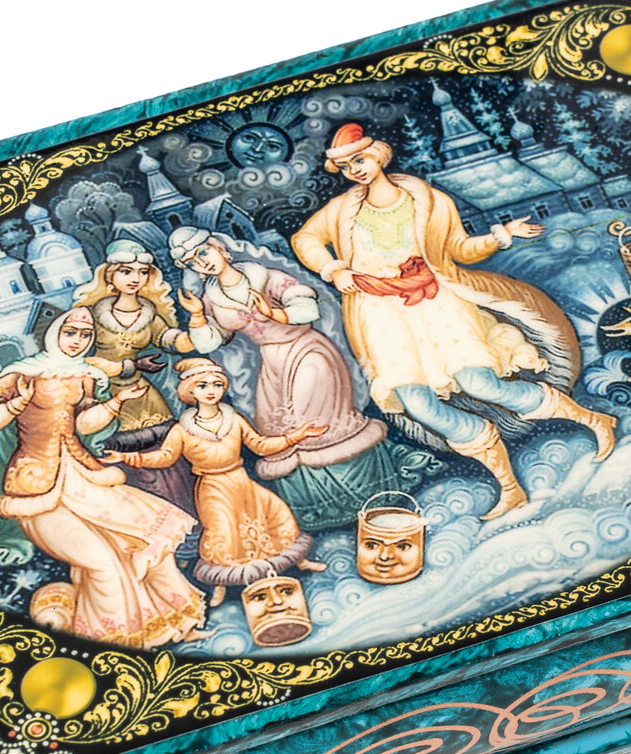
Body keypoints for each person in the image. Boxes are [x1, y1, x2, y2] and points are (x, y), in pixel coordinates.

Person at [290, 123, 614, 517]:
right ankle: (509, 487)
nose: (355, 170)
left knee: (479, 382)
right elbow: (304, 239)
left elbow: (459, 248)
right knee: (419, 405)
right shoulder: (341, 210)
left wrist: (500, 236)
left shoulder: (429, 201)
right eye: (345, 166)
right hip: (380, 318)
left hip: (437, 305)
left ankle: (593, 420)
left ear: (378, 155)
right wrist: (333, 269)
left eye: (360, 160)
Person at [0, 306, 205, 645]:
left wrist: (116, 402)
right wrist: (15, 405)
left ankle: (175, 624)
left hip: (84, 475)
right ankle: (115, 641)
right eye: (71, 333)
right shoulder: (21, 374)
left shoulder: (84, 375)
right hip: (37, 486)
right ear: (53, 334)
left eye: (85, 335)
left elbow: (83, 424)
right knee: (103, 564)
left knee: (150, 539)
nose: (77, 341)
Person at [166, 225, 413, 529]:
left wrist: (274, 313)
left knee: (314, 421)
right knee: (277, 429)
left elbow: (308, 308)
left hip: (308, 352)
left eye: (203, 252)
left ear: (219, 247)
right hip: (272, 365)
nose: (202, 263)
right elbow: (211, 343)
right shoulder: (212, 298)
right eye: (192, 262)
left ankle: (370, 494)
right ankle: (322, 507)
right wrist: (196, 315)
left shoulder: (264, 276)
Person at [114, 357, 328, 609]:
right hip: (213, 487)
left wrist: (296, 436)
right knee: (223, 532)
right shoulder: (182, 430)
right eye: (203, 385)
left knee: (275, 514)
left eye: (217, 385)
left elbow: (260, 445)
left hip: (240, 480)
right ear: (191, 391)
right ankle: (221, 585)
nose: (211, 391)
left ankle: (299, 561)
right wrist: (132, 458)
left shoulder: (234, 420)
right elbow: (165, 457)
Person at [75, 240, 196, 518]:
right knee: (124, 466)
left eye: (143, 272)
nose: (136, 278)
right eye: (127, 271)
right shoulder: (93, 315)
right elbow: (83, 361)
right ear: (110, 275)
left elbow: (170, 340)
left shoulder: (148, 313)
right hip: (105, 397)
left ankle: (187, 516)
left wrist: (200, 324)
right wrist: (130, 365)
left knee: (169, 458)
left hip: (145, 398)